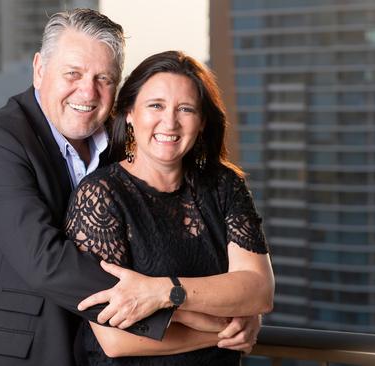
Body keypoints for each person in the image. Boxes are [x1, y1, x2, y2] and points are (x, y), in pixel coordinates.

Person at [0, 9, 262, 366]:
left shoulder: (122, 144)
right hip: (16, 353)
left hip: (95, 352)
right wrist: (184, 308)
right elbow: (46, 261)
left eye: (104, 79)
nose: (88, 91)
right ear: (39, 69)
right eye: (73, 74)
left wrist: (232, 302)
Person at [65, 50, 275, 365]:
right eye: (156, 106)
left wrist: (163, 293)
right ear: (130, 113)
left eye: (185, 109)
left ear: (202, 121)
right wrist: (223, 328)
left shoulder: (224, 185)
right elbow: (115, 339)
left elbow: (259, 291)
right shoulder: (100, 195)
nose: (170, 122)